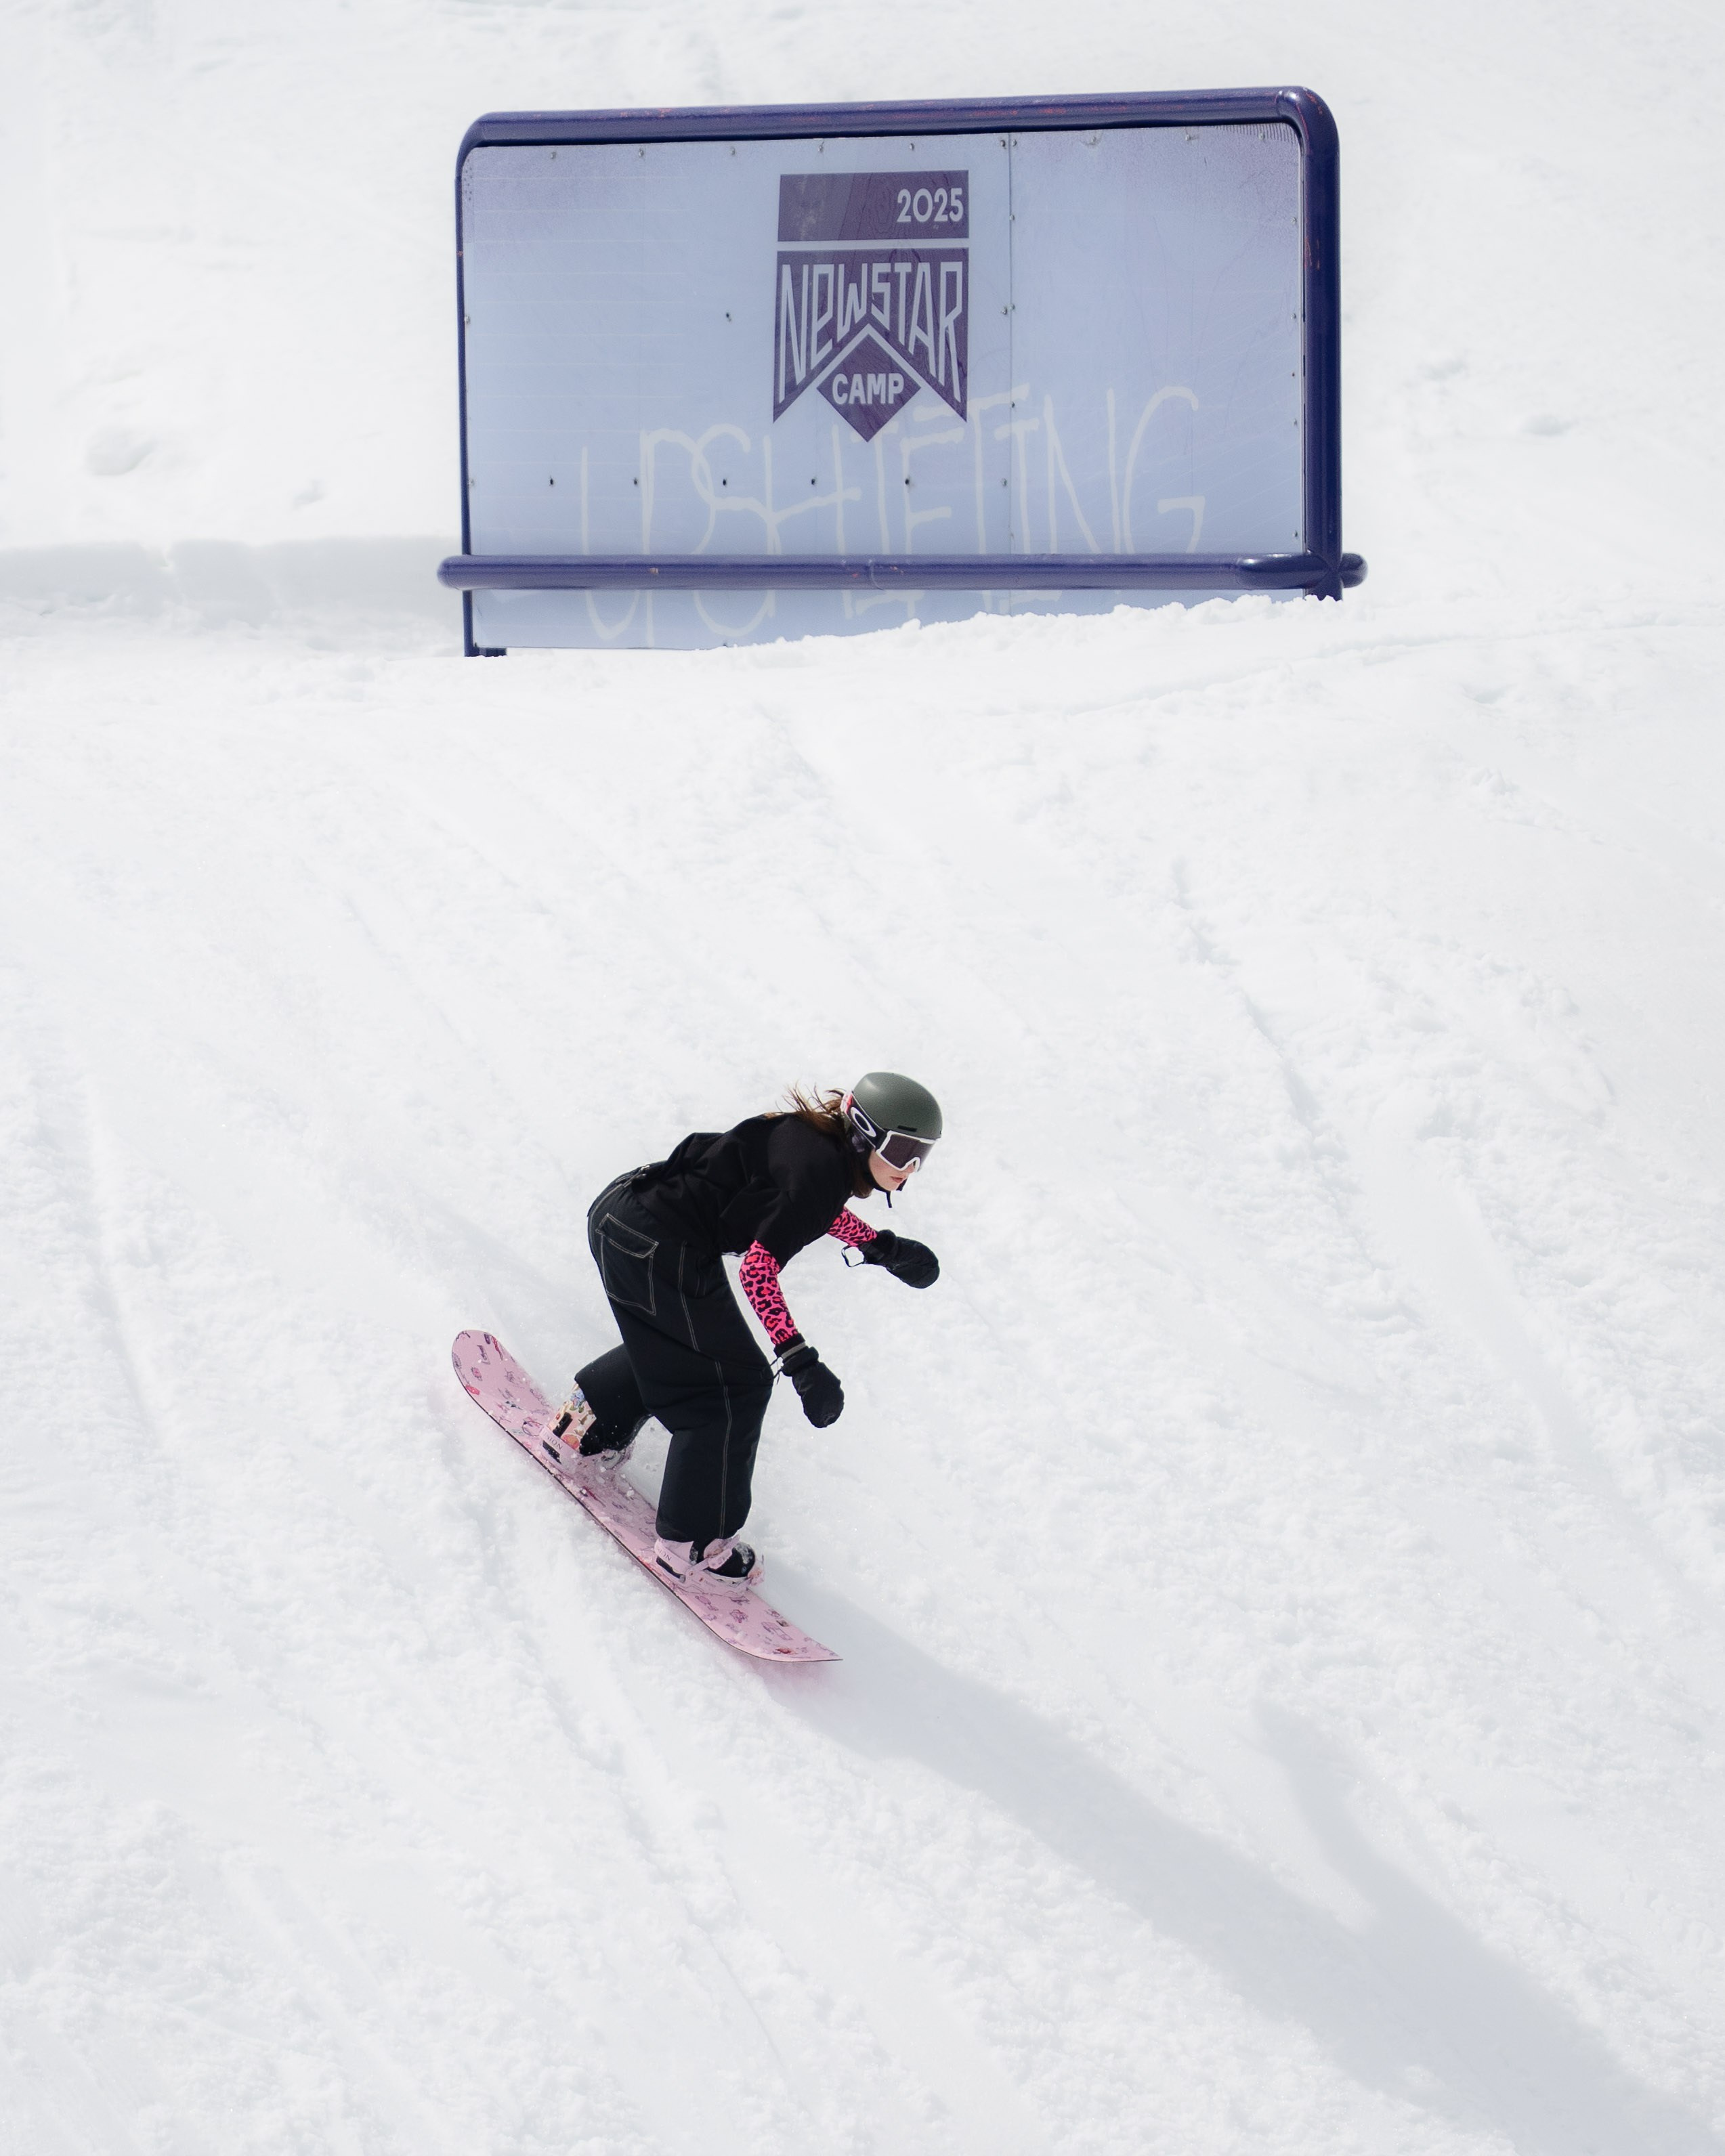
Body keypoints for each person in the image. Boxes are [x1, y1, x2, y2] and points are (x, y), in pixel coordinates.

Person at [561, 1073, 943, 1592]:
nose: (909, 1169)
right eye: (902, 1151)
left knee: (688, 1349)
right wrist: (800, 1361)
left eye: (922, 1156)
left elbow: (799, 1204)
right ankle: (693, 1546)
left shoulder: (812, 1140)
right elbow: (759, 1269)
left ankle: (583, 1426)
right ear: (862, 1131)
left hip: (627, 1213)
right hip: (658, 1245)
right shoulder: (821, 1172)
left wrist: (880, 1246)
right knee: (735, 1386)